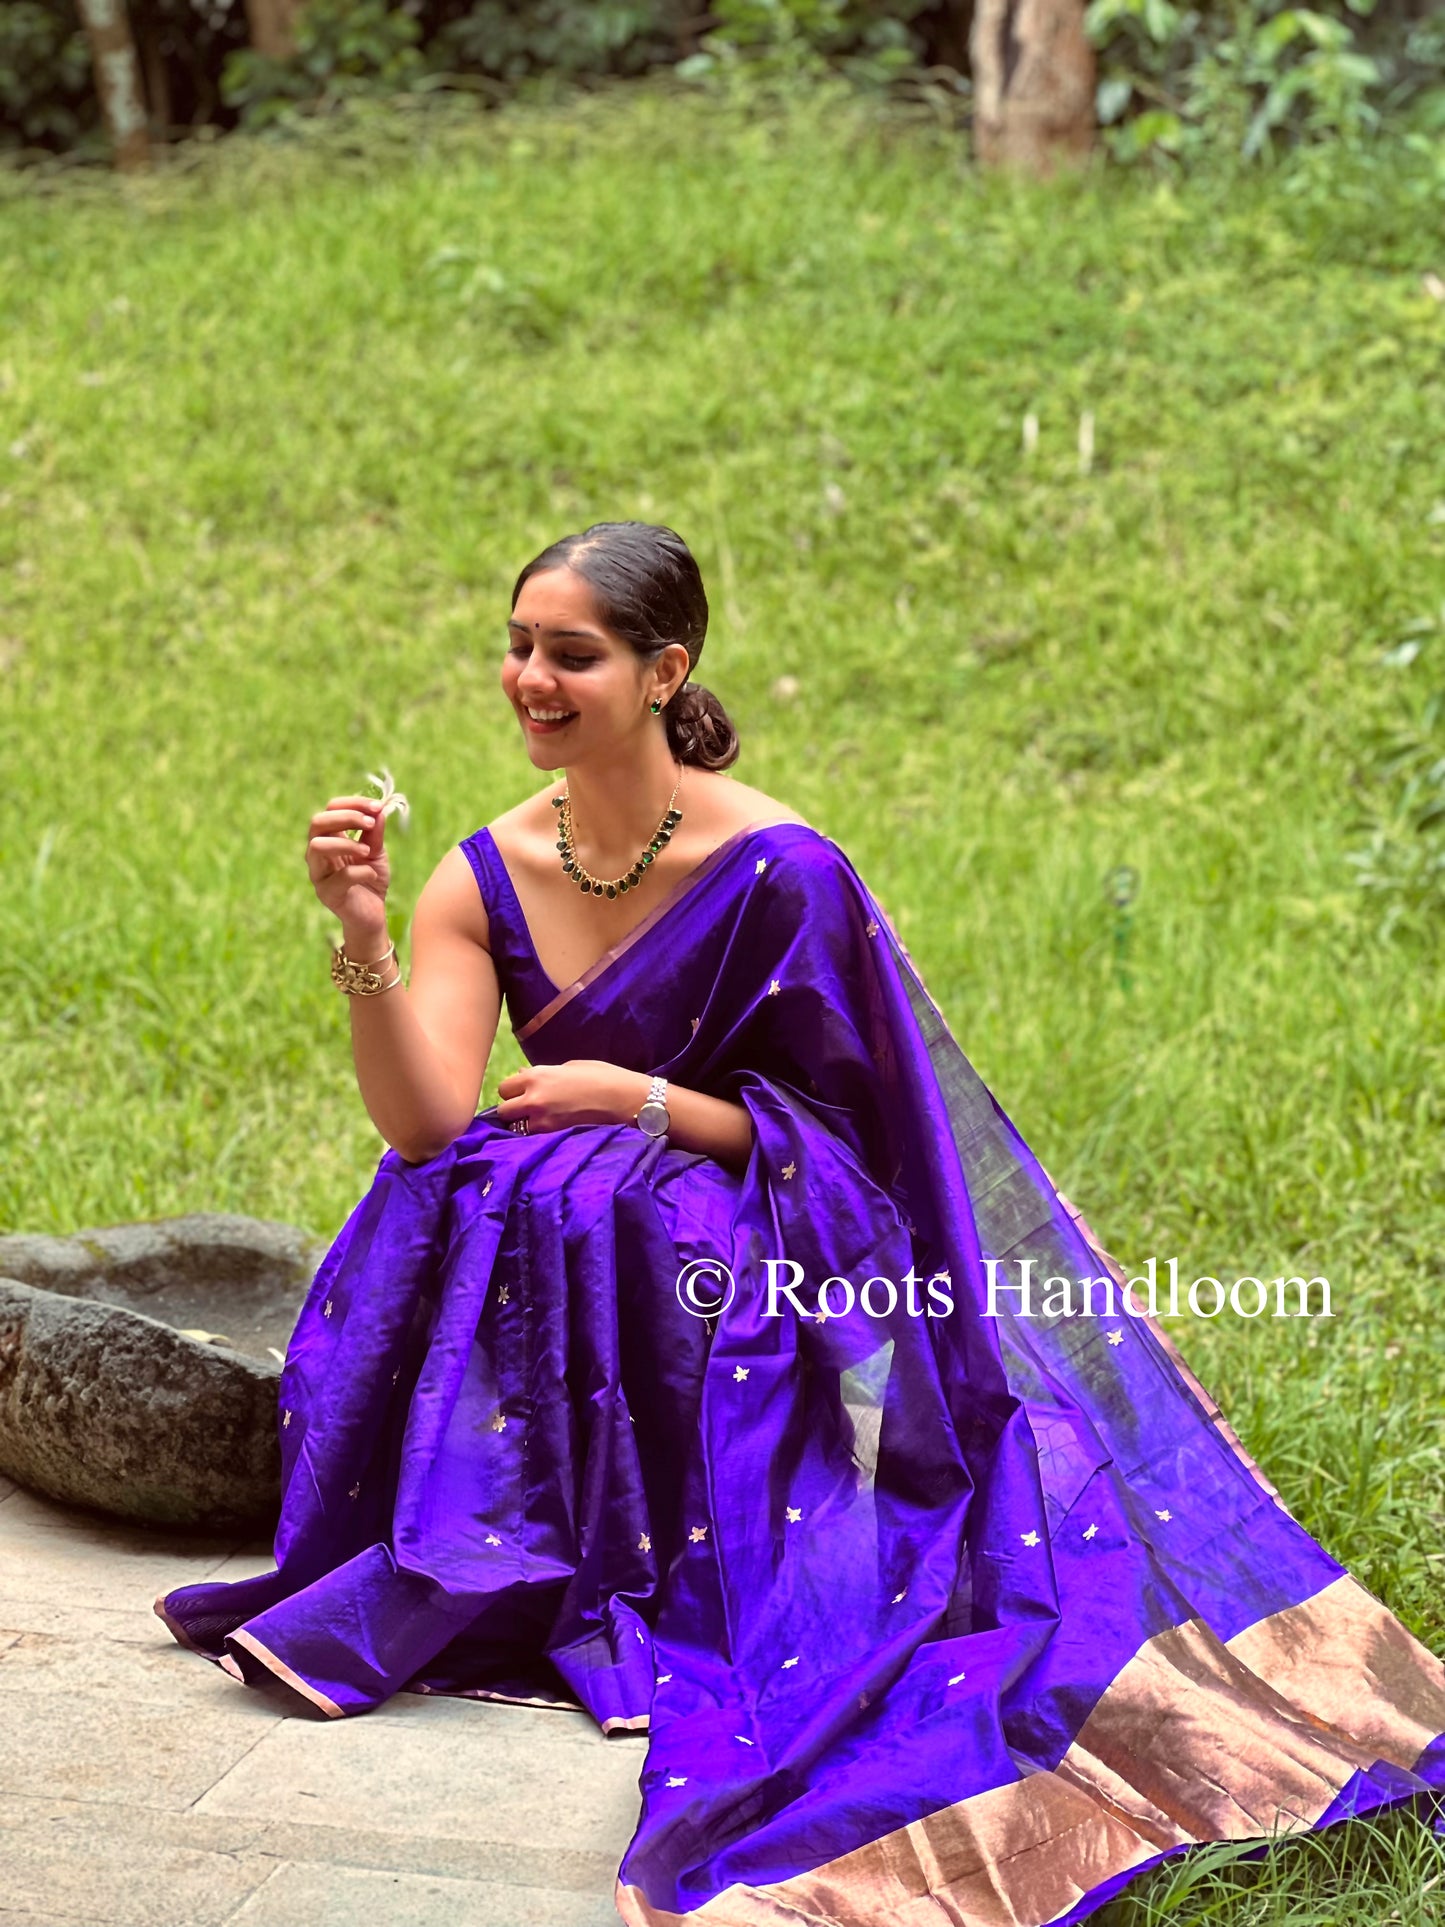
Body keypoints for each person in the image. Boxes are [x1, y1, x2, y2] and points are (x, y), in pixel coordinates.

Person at [158, 521, 1445, 1927]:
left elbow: (866, 1154)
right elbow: (422, 1126)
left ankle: (671, 1564)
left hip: (754, 1232)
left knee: (631, 1211)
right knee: (480, 1191)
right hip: (568, 1237)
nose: (529, 677)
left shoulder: (780, 872)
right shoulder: (482, 871)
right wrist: (361, 930)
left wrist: (641, 1100)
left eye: (569, 654)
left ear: (665, 672)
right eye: (518, 646)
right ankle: (526, 1556)